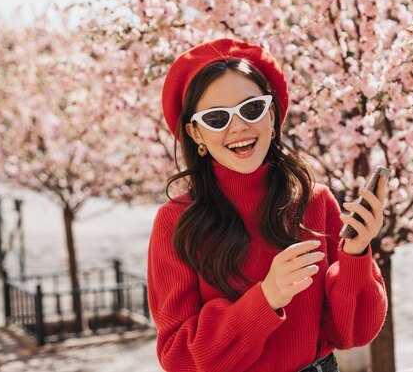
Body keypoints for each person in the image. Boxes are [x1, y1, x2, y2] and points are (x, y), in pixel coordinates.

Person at [148, 38, 388, 372]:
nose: (239, 127)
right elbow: (178, 356)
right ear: (196, 134)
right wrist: (266, 299)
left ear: (271, 114)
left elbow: (353, 334)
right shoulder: (175, 222)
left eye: (251, 109)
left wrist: (356, 255)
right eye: (217, 118)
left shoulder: (314, 201)